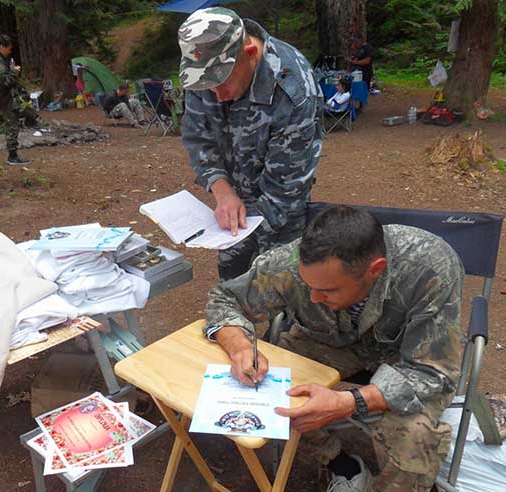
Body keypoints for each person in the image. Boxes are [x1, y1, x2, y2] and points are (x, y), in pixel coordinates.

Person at [204, 205, 464, 491]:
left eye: (328, 290)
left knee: (416, 435)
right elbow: (225, 297)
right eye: (308, 285)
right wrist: (239, 345)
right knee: (272, 390)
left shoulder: (430, 267)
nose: (314, 298)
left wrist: (347, 403)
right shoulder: (290, 263)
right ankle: (342, 465)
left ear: (374, 270)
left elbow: (431, 372)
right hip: (328, 343)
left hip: (402, 359)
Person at [179, 7, 324, 281]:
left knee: (280, 292)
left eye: (222, 84)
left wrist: (244, 235)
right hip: (234, 214)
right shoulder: (205, 71)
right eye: (208, 87)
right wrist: (223, 192)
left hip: (280, 215)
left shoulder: (294, 91)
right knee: (233, 286)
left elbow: (285, 192)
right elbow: (199, 138)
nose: (217, 96)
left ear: (249, 54)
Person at [0, 33, 38, 166]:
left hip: (6, 95)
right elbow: (5, 81)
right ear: (2, 46)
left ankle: (14, 153)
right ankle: (12, 156)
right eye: (9, 48)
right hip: (5, 96)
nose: (10, 51)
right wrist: (14, 71)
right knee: (12, 123)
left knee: (26, 113)